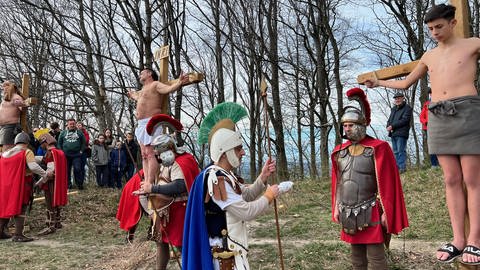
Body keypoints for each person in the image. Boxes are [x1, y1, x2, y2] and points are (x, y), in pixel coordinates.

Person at [365, 4, 480, 264]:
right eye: (430, 29)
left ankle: (475, 240)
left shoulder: (473, 44)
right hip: (438, 114)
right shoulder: (429, 56)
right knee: (451, 179)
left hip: (468, 113)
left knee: (472, 179)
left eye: (439, 26)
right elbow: (406, 82)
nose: (435, 32)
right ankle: (458, 240)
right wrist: (379, 81)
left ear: (452, 22)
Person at [182, 102, 282, 270]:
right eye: (238, 149)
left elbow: (246, 195)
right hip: (223, 255)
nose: (243, 152)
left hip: (231, 250)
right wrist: (269, 196)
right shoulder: (216, 179)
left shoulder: (226, 176)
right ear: (224, 151)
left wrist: (263, 178)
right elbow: (246, 211)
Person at [331, 88, 409, 270]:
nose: (347, 129)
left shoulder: (378, 148)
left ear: (361, 125)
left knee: (376, 257)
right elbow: (337, 184)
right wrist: (336, 207)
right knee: (356, 257)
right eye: (345, 125)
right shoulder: (339, 152)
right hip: (348, 211)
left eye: (351, 125)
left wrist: (386, 212)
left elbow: (389, 185)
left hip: (371, 209)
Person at [133, 114, 200, 270]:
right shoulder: (164, 162)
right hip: (164, 211)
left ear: (168, 149)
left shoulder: (182, 161)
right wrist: (147, 189)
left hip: (179, 210)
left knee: (183, 246)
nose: (156, 155)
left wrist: (153, 189)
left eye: (158, 151)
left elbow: (180, 186)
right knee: (161, 242)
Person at [127, 68, 189, 187]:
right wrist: (132, 94)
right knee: (144, 155)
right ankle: (146, 180)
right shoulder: (143, 90)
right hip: (141, 125)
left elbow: (168, 89)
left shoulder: (155, 84)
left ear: (150, 74)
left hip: (152, 123)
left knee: (150, 154)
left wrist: (179, 82)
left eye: (142, 73)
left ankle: (149, 182)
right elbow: (137, 97)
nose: (140, 75)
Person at [0, 132, 53, 242]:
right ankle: (18, 234)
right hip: (21, 183)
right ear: (27, 142)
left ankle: (0, 232)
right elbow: (32, 166)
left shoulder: (5, 153)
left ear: (16, 142)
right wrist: (45, 174)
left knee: (6, 206)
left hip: (5, 185)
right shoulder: (26, 151)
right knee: (22, 207)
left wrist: (38, 158)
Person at [34, 129, 68, 235]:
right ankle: (57, 222)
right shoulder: (59, 152)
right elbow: (45, 160)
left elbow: (49, 172)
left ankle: (51, 225)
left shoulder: (50, 153)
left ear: (46, 142)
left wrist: (39, 183)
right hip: (59, 182)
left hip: (51, 182)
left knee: (50, 202)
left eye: (42, 143)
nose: (41, 146)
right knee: (56, 201)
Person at [386, 92, 412, 173]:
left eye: (399, 98)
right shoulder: (394, 109)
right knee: (396, 151)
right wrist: (388, 126)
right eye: (396, 99)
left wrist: (392, 126)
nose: (397, 100)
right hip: (393, 133)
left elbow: (405, 120)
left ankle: (402, 168)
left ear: (403, 98)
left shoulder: (407, 108)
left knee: (401, 151)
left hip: (402, 133)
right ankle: (397, 168)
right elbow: (390, 119)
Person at [57, 118, 86, 190]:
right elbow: (59, 143)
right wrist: (61, 152)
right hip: (66, 155)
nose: (72, 125)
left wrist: (81, 150)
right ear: (68, 124)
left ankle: (79, 184)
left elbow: (83, 142)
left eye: (73, 124)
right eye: (70, 124)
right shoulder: (63, 133)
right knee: (67, 170)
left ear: (75, 124)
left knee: (77, 168)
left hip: (77, 155)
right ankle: (68, 184)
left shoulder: (79, 132)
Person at [0, 81, 27, 152]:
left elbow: (22, 107)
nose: (3, 88)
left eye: (5, 86)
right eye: (3, 86)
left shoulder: (16, 97)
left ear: (10, 86)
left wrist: (21, 104)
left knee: (7, 149)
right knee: (5, 149)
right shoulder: (7, 97)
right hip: (5, 127)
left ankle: (8, 163)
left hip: (11, 126)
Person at [419, 89, 439, 167]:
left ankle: (443, 163)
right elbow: (421, 117)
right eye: (431, 93)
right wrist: (426, 122)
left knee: (441, 145)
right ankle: (434, 164)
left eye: (433, 92)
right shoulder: (426, 104)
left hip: (440, 127)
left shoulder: (441, 103)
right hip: (428, 128)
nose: (432, 94)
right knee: (432, 146)